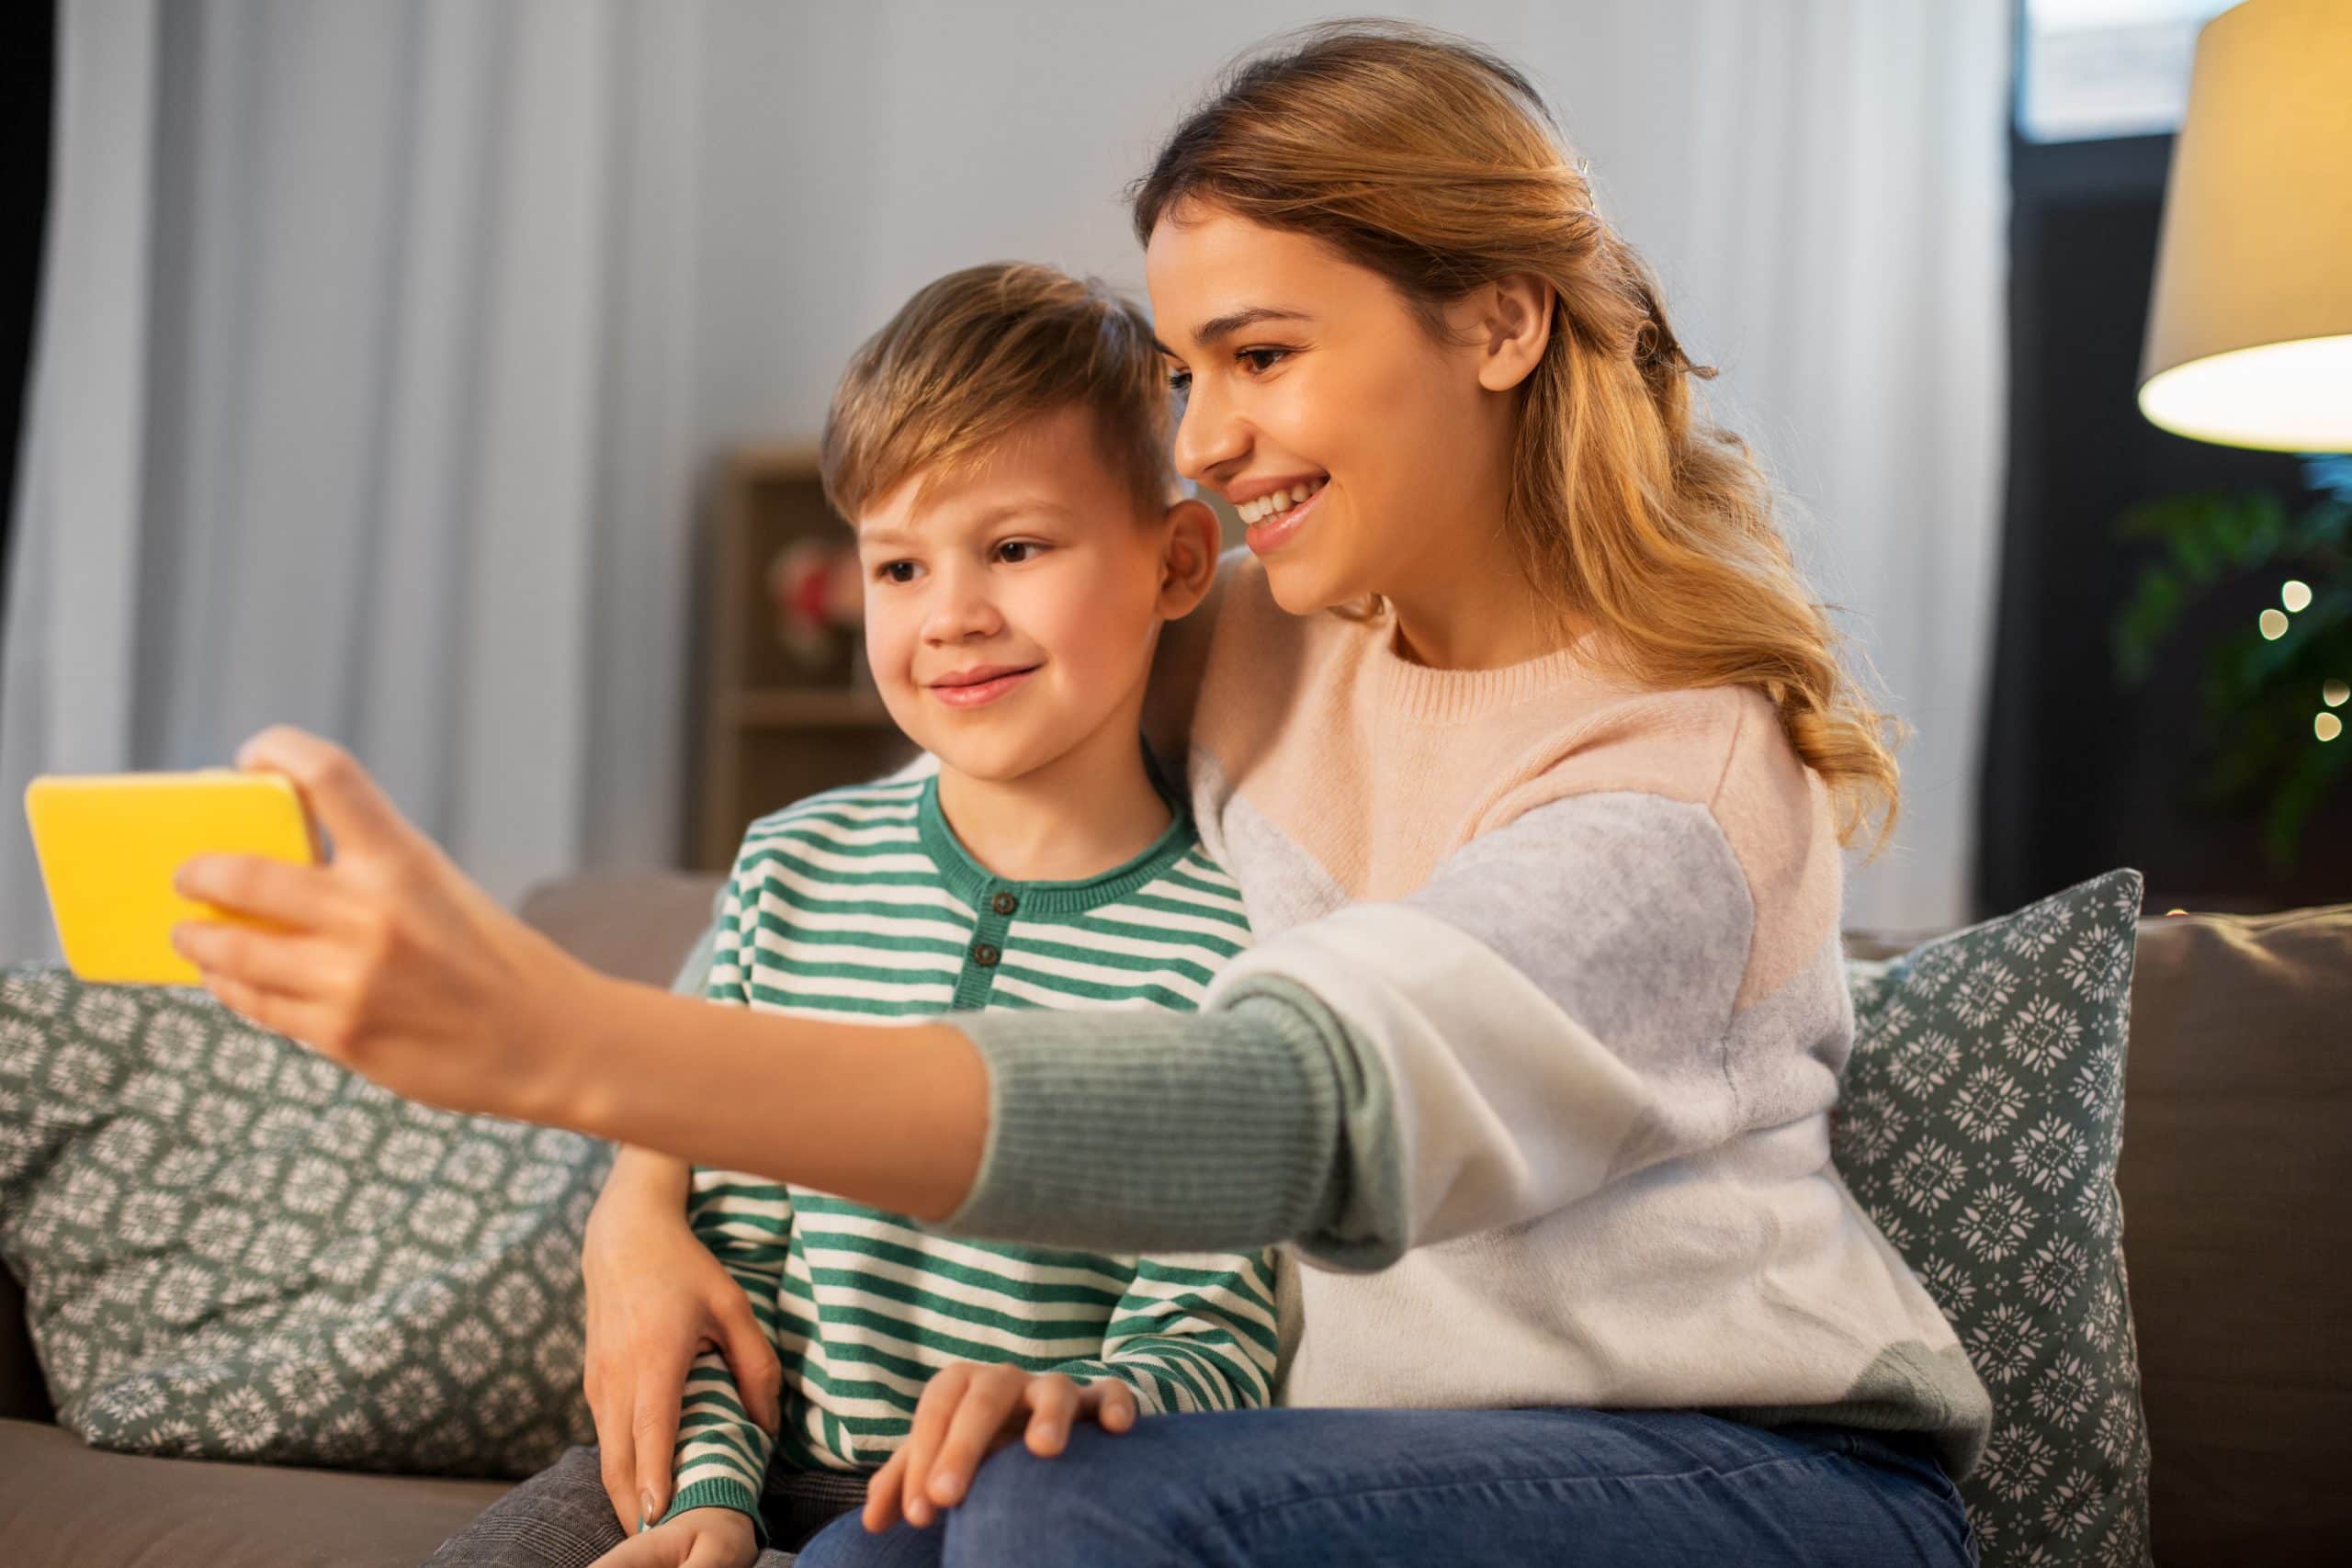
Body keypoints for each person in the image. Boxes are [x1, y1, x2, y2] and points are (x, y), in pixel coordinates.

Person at [173, 22, 1987, 1566]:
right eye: (1187, 370)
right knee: (909, 1515)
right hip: (1340, 1453)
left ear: (1497, 321)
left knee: (1055, 1519)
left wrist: (558, 1038)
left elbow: (1288, 1104)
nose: (1199, 438)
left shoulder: (1665, 781)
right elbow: (989, 606)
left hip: (1748, 1464)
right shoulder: (1281, 622)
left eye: (1261, 356)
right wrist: (636, 1210)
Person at [426, 263, 1276, 1567]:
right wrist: (703, 1498)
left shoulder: (1235, 943)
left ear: (1175, 562)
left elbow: (1208, 1331)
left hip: (1005, 1503)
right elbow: (728, 1255)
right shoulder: (794, 866)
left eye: (1014, 548)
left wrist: (1099, 1423)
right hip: (732, 1464)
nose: (952, 618)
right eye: (897, 566)